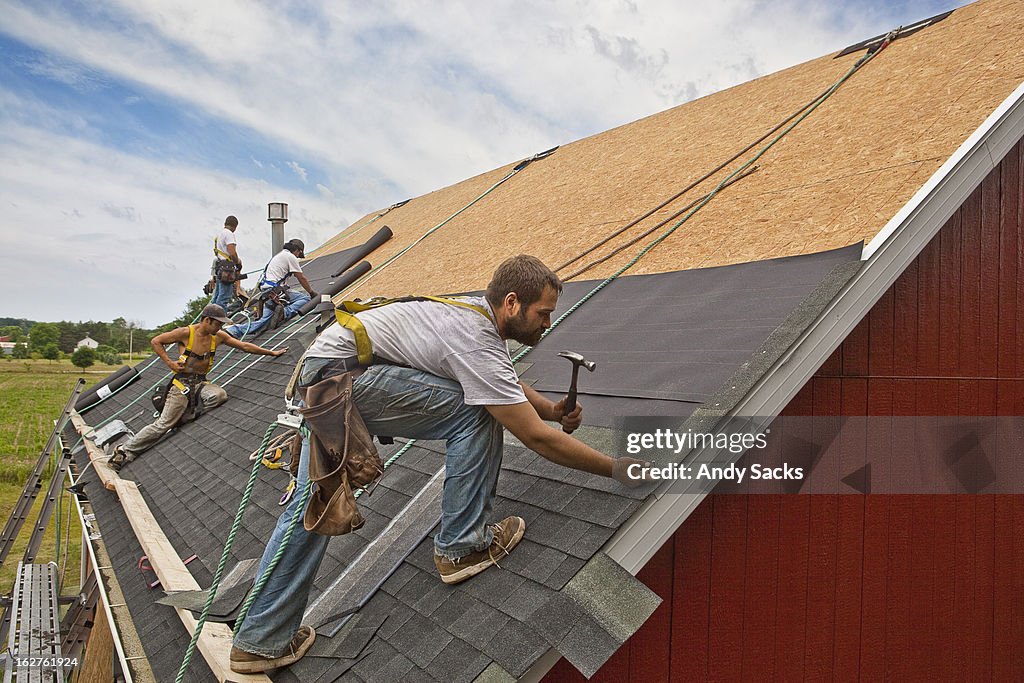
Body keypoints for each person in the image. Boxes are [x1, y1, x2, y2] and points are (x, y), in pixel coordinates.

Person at [229, 255, 646, 674]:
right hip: (342, 380)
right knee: (479, 410)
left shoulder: (476, 318)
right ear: (513, 303)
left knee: (314, 504)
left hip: (327, 376)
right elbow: (533, 436)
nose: (548, 324)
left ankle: (261, 639)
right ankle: (462, 545)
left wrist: (552, 410)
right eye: (543, 314)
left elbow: (503, 379)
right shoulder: (473, 338)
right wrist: (615, 467)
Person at [109, 304, 288, 470]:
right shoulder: (186, 333)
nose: (219, 328)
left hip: (200, 383)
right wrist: (170, 363)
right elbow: (156, 341)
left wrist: (272, 352)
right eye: (217, 324)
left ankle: (186, 416)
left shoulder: (218, 337)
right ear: (207, 320)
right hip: (181, 385)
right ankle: (124, 450)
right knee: (162, 425)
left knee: (219, 396)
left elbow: (243, 346)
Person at [225, 240, 317, 339]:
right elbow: (301, 277)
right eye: (299, 253)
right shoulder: (290, 257)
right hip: (274, 290)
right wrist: (312, 293)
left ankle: (233, 329)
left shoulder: (280, 255)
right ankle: (284, 313)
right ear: (297, 250)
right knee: (306, 299)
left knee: (264, 321)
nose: (298, 256)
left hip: (268, 290)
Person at [212, 215, 243, 309]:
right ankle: (218, 320)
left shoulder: (219, 235)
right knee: (223, 297)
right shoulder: (229, 234)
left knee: (217, 296)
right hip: (227, 269)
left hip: (220, 267)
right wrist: (238, 263)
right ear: (235, 226)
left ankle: (210, 316)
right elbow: (232, 252)